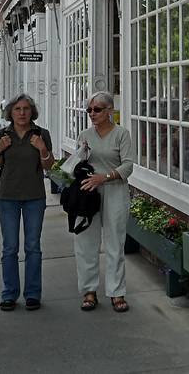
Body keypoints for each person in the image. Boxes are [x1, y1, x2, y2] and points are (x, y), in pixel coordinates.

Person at [0, 94, 54, 311]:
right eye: (17, 109)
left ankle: (33, 294)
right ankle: (9, 294)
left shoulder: (41, 134)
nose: (22, 113)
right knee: (10, 248)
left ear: (32, 112)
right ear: (11, 112)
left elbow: (48, 166)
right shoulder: (2, 134)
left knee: (33, 247)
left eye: (26, 108)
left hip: (34, 197)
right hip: (7, 197)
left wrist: (42, 149)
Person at [74, 91, 134, 312]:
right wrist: (82, 154)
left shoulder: (121, 134)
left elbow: (128, 166)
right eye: (89, 109)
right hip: (88, 193)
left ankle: (116, 292)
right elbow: (76, 165)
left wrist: (105, 177)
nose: (92, 113)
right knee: (85, 243)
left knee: (115, 243)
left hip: (115, 190)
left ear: (109, 111)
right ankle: (89, 291)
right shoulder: (85, 134)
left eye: (97, 109)